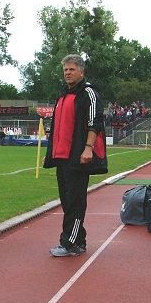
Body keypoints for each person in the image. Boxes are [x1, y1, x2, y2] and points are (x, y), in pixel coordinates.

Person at [44, 54, 108, 257]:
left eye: (71, 69)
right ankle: (78, 240)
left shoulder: (88, 93)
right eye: (65, 70)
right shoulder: (63, 95)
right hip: (61, 157)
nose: (68, 73)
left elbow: (95, 122)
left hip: (78, 156)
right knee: (66, 200)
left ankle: (69, 242)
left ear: (81, 71)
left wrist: (88, 148)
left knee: (75, 201)